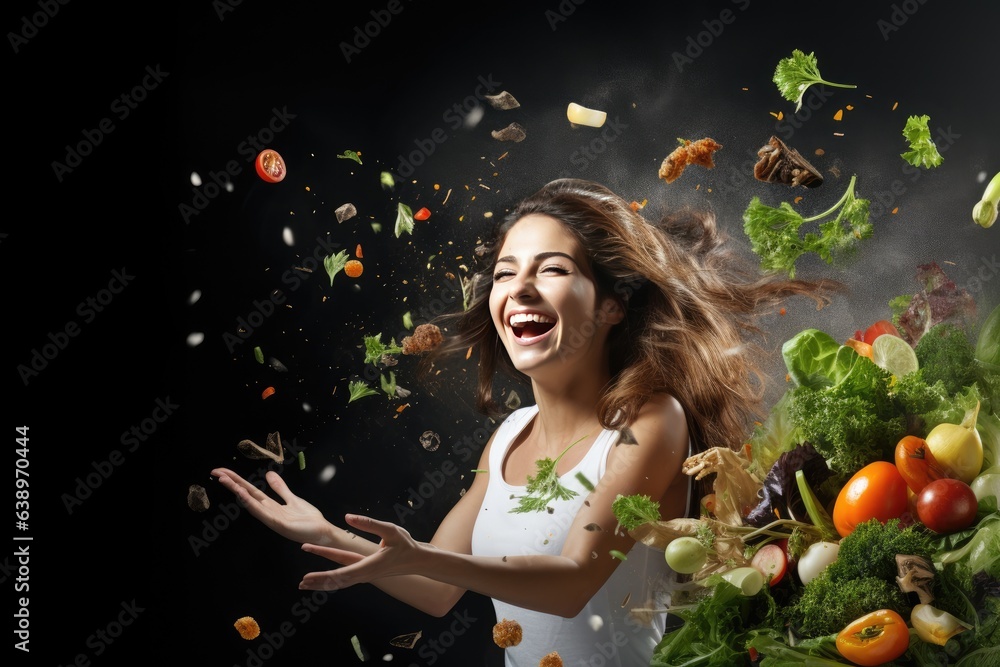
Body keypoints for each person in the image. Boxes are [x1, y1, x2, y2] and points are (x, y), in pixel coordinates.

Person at [212, 178, 836, 666]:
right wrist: (320, 531)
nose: (520, 288)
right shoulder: (509, 437)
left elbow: (570, 584)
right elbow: (435, 585)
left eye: (553, 270)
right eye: (506, 273)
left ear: (613, 303)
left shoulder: (648, 421)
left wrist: (419, 557)